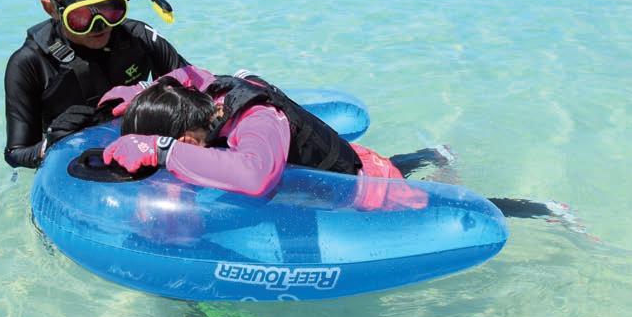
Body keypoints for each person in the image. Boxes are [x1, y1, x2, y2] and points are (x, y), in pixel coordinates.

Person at [3, 0, 189, 169]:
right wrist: (50, 142)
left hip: (137, 149)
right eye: (81, 16)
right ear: (51, 9)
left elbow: (193, 86)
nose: (99, 25)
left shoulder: (139, 36)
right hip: (73, 162)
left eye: (108, 8)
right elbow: (15, 154)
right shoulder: (29, 63)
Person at [100, 67, 420, 202]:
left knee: (420, 189)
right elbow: (190, 74)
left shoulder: (258, 120)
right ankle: (425, 158)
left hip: (375, 191)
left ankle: (436, 159)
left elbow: (255, 178)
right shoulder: (205, 98)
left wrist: (162, 151)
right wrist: (148, 90)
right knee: (409, 163)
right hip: (352, 160)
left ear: (186, 142)